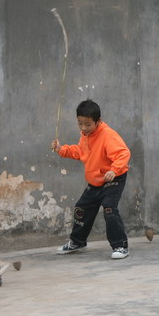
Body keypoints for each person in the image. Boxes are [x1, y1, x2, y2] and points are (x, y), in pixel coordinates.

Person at [51, 99, 131, 259]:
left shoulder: (108, 135)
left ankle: (121, 246)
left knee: (109, 208)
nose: (83, 128)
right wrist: (62, 149)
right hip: (96, 181)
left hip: (113, 178)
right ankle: (78, 242)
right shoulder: (85, 136)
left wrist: (114, 170)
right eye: (80, 123)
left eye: (87, 124)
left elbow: (124, 153)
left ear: (98, 121)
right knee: (81, 209)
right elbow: (80, 151)